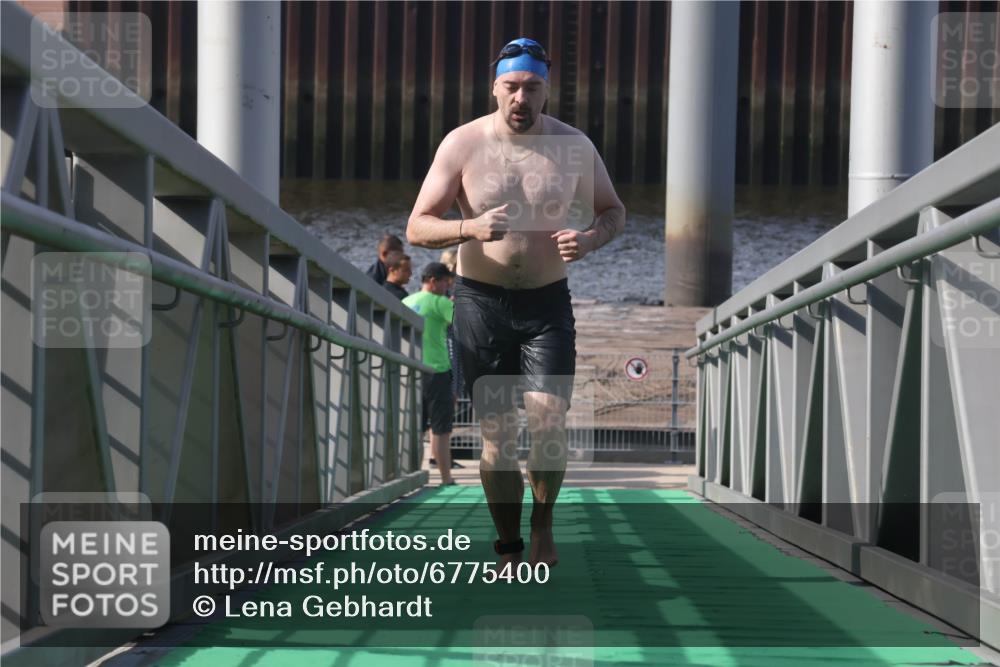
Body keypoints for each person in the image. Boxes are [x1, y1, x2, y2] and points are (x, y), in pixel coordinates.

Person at [405, 38, 626, 568]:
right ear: (495, 88)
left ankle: (542, 523)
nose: (520, 97)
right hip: (480, 303)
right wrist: (469, 227)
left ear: (547, 90)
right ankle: (508, 545)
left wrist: (590, 240)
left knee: (549, 422)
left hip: (547, 305)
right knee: (498, 437)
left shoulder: (574, 146)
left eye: (532, 87)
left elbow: (613, 210)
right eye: (511, 86)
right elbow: (417, 226)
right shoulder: (463, 143)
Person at [403, 262, 458, 486]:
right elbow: (464, 325)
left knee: (413, 426)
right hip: (437, 370)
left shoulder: (407, 301)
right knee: (441, 428)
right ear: (433, 281)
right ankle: (445, 478)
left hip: (409, 370)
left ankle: (412, 475)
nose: (447, 287)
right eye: (446, 282)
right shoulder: (440, 302)